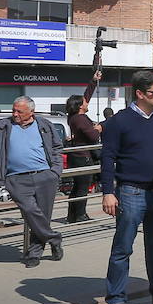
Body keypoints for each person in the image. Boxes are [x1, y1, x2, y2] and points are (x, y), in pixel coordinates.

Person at [100, 71, 153, 304]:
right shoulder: (119, 122)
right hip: (130, 191)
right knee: (123, 246)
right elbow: (108, 157)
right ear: (140, 94)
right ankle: (116, 300)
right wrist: (108, 193)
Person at [0, 97, 66, 268]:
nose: (15, 114)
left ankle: (35, 253)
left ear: (31, 112)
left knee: (43, 216)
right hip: (16, 178)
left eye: (19, 111)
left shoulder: (45, 125)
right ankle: (53, 238)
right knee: (30, 211)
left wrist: (55, 171)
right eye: (13, 110)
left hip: (44, 176)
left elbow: (57, 147)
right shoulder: (1, 126)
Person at [65, 69, 104, 222]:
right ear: (80, 106)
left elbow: (86, 96)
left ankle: (72, 215)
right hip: (83, 157)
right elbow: (93, 136)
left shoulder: (73, 116)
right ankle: (80, 215)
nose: (87, 102)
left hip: (76, 156)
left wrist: (93, 81)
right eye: (84, 102)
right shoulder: (80, 119)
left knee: (77, 186)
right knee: (82, 187)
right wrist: (99, 128)